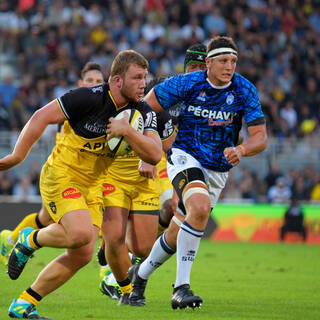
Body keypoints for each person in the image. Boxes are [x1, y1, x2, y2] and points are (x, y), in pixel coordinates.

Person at [0, 50, 161, 319]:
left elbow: (155, 154)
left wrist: (129, 132)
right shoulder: (88, 97)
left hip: (95, 185)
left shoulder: (143, 111)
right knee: (80, 235)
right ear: (117, 80)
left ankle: (23, 305)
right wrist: (17, 156)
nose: (144, 84)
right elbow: (41, 116)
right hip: (63, 174)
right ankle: (30, 239)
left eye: (145, 77)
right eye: (137, 78)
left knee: (83, 253)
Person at [129, 36, 268, 309]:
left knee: (177, 229)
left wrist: (242, 150)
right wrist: (146, 150)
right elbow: (146, 106)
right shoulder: (186, 83)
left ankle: (140, 276)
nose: (229, 67)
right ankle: (181, 288)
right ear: (209, 63)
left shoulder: (244, 90)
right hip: (184, 156)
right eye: (224, 61)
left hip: (218, 169)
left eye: (233, 61)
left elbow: (260, 137)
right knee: (200, 207)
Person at [0, 62, 105, 267]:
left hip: (87, 177)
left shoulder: (103, 109)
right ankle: (15, 240)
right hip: (62, 175)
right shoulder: (72, 105)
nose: (94, 84)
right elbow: (41, 125)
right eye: (90, 80)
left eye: (98, 81)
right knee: (54, 221)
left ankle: (10, 240)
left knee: (45, 219)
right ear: (80, 83)